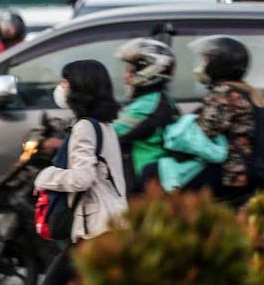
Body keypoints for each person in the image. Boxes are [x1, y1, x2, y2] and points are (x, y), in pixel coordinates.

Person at [2, 60, 144, 285]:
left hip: (96, 233)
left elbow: (81, 179)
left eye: (65, 82)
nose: (61, 88)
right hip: (112, 230)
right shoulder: (104, 127)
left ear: (79, 88)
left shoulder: (85, 127)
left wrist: (45, 176)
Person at [185, 35, 263, 202]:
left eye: (206, 61)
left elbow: (204, 132)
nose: (201, 67)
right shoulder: (247, 91)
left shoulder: (224, 94)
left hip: (233, 174)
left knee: (160, 176)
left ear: (219, 64)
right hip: (251, 170)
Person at [111, 37, 179, 191]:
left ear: (149, 71)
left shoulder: (148, 105)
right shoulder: (155, 99)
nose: (126, 76)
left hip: (143, 182)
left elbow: (112, 133)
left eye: (130, 70)